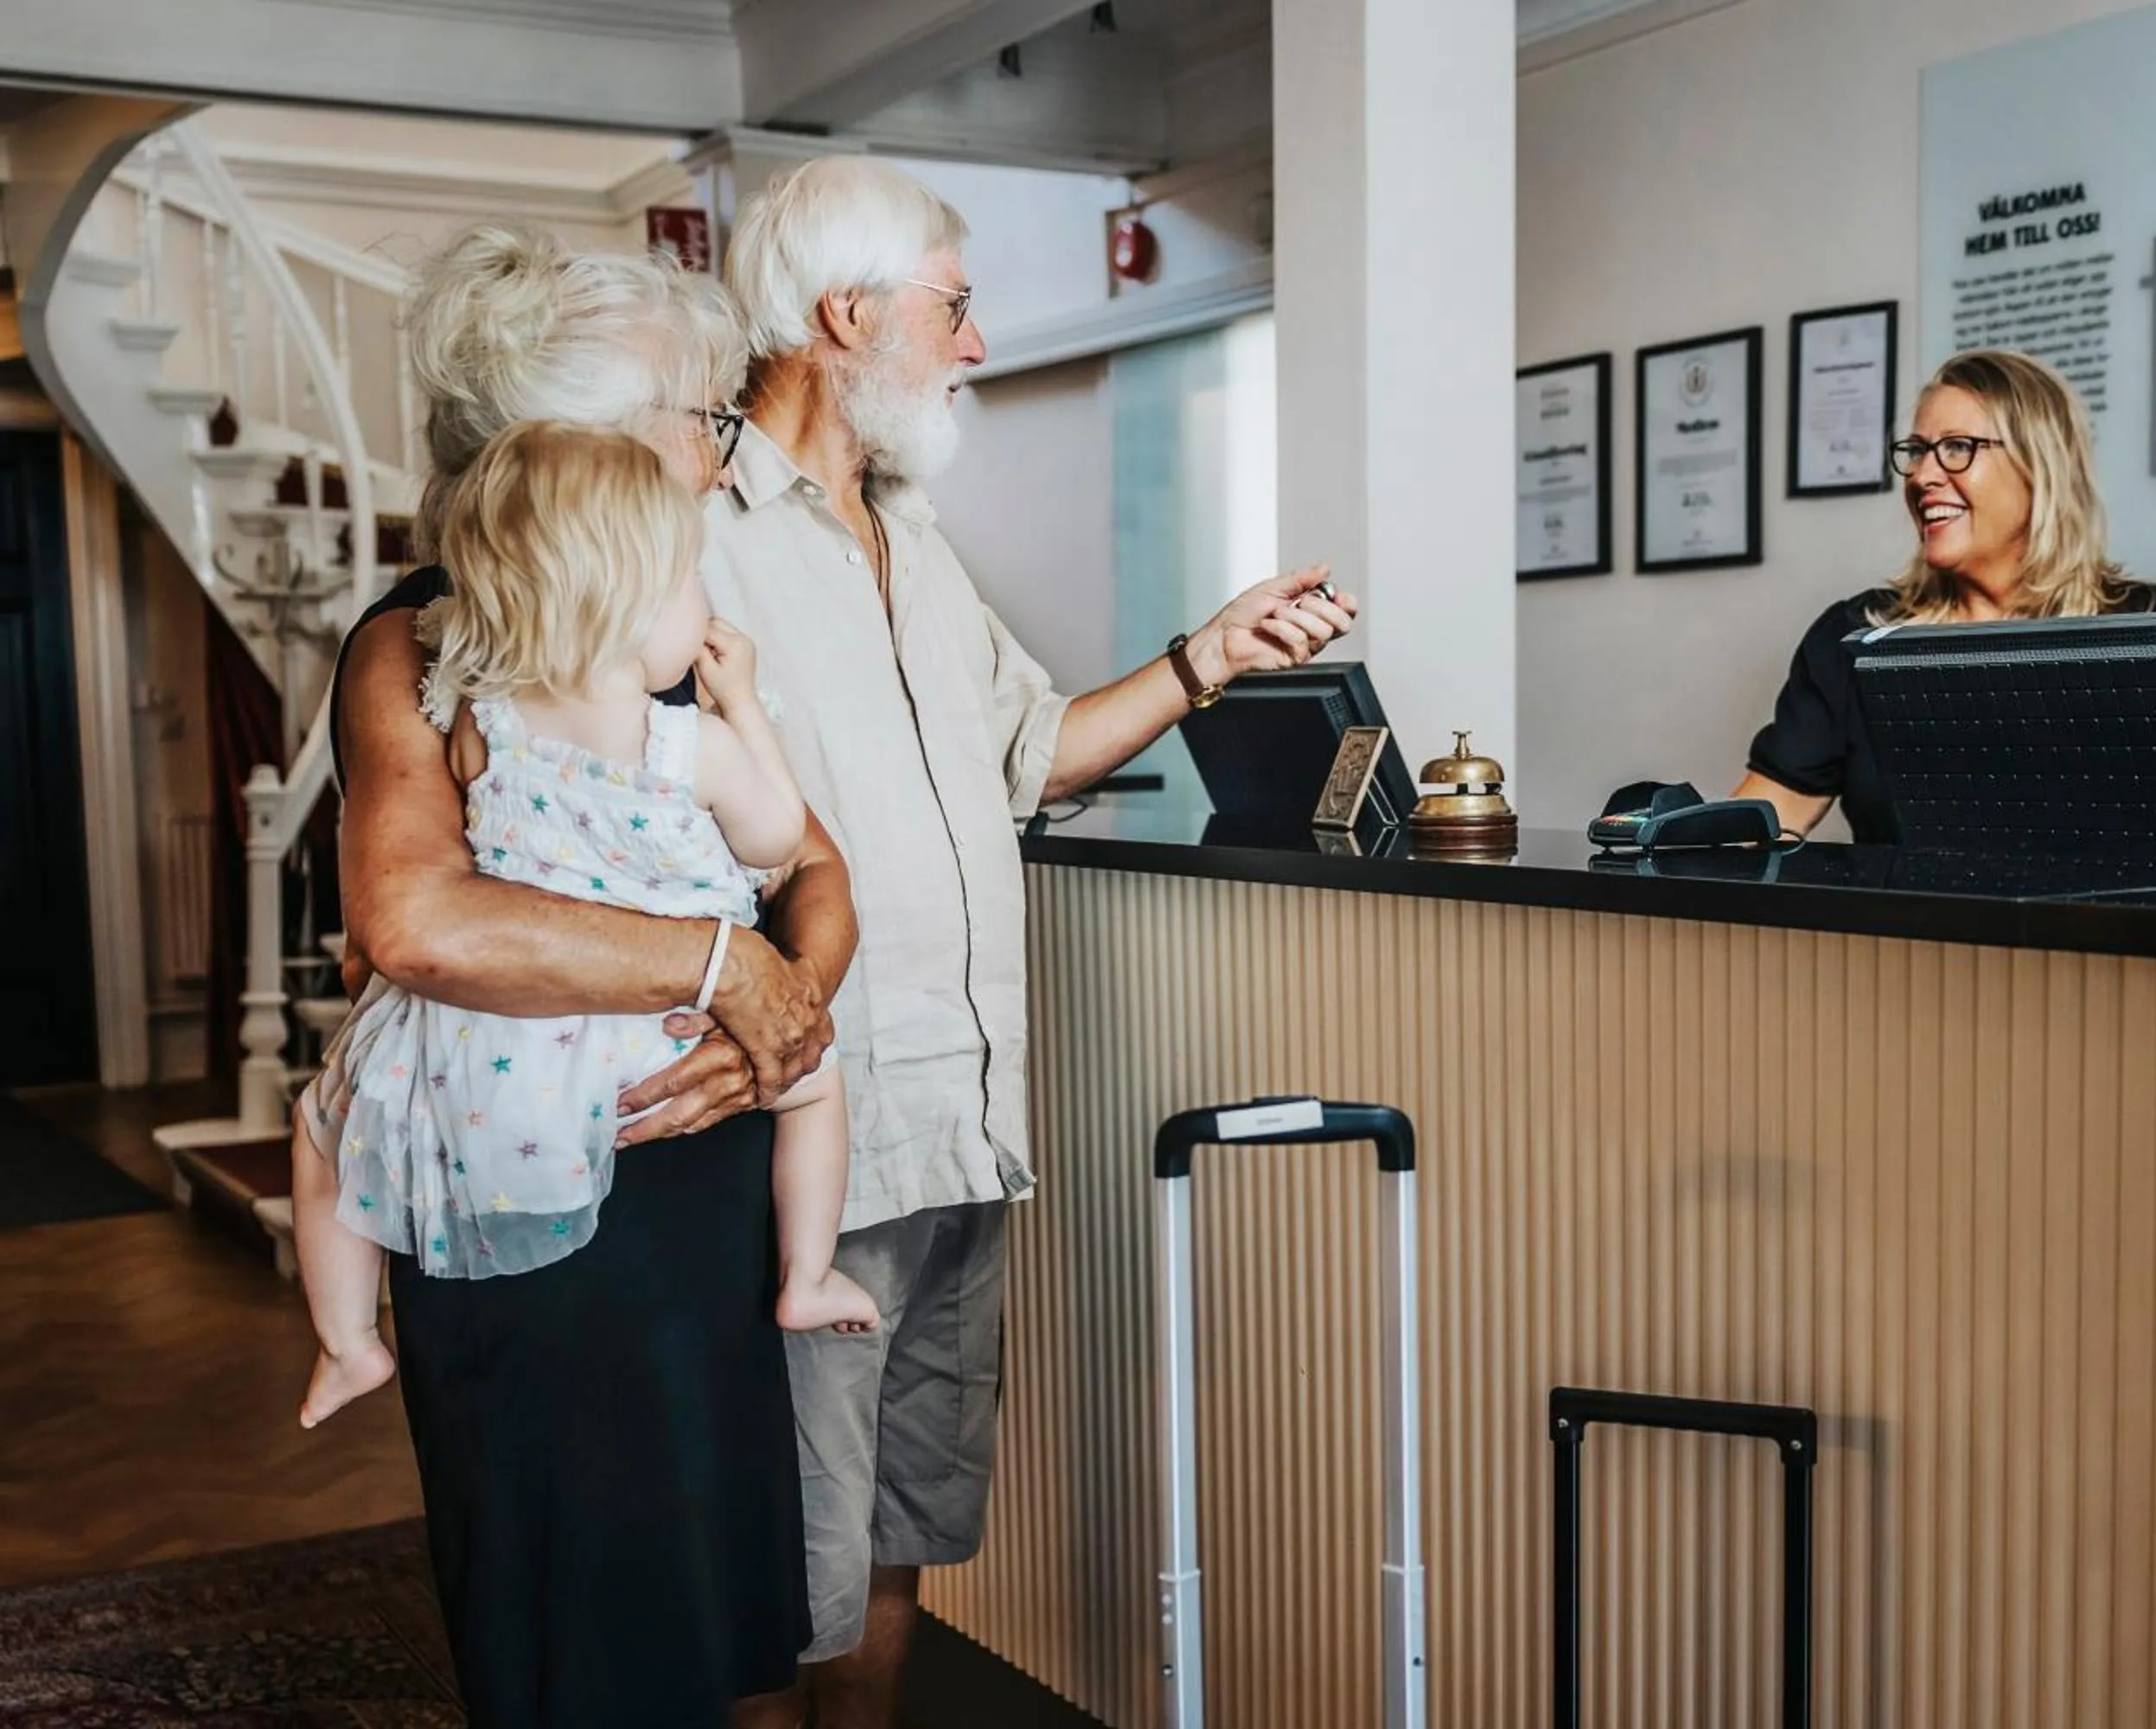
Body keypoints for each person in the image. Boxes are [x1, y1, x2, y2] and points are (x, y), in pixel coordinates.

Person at [707, 156, 1357, 1729]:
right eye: (957, 307)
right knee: (770, 1564)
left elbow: (1037, 749)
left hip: (967, 1128)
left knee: (900, 1538)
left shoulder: (911, 536)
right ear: (843, 314)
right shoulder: (689, 525)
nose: (976, 344)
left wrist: (1210, 657)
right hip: (812, 1134)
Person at [330, 225, 855, 1724]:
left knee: (697, 1601)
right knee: (578, 1617)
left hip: (699, 1186)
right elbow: (421, 915)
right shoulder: (425, 641)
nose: (716, 447)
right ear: (582, 439)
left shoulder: (667, 642)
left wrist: (777, 1019)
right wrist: (715, 963)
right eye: (698, 416)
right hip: (531, 1201)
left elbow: (814, 872)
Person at [290, 422, 879, 1432]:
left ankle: (348, 1339)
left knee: (321, 1126)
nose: (702, 604)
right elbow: (781, 831)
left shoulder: (481, 720)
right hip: (649, 1040)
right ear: (630, 608)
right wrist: (747, 709)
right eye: (690, 577)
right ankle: (810, 1273)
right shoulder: (686, 747)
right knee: (818, 1082)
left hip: (488, 1046)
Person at [1734, 348, 2156, 841]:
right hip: (1904, 922)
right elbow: (1766, 818)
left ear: (2038, 465)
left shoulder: (2147, 629)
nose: (1923, 476)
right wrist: (1659, 839)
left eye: (1957, 448)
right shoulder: (1856, 638)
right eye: (1917, 451)